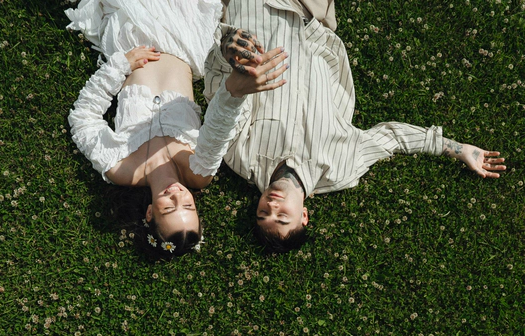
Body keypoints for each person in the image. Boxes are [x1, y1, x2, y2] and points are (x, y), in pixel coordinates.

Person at [188, 0, 507, 253]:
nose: (271, 206)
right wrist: (457, 149)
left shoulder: (240, 158)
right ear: (303, 215)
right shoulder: (341, 167)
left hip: (255, 11)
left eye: (263, 214)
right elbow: (392, 138)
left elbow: (222, 94)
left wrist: (226, 48)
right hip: (312, 16)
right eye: (282, 216)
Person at [65, 0, 277, 259]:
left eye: (168, 208)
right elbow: (218, 129)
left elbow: (83, 119)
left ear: (150, 212)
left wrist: (120, 66)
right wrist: (234, 92)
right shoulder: (199, 172)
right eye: (188, 205)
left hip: (132, 34)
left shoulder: (120, 168)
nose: (177, 196)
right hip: (185, 36)